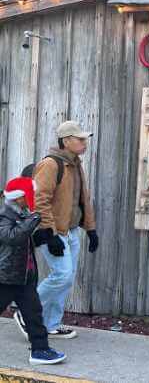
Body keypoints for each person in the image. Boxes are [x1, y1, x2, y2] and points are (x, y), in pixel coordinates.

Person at [21, 121, 98, 340]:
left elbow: (82, 199)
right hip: (53, 232)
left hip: (71, 231)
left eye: (85, 139)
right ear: (66, 141)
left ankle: (51, 324)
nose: (85, 143)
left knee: (67, 278)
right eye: (80, 139)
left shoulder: (75, 164)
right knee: (62, 275)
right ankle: (26, 311)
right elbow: (39, 199)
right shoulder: (51, 164)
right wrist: (50, 232)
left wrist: (90, 230)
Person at [0, 176, 66, 365]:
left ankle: (40, 350)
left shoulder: (22, 213)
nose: (34, 196)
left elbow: (22, 243)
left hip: (24, 277)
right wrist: (36, 216)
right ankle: (40, 349)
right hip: (5, 278)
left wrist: (41, 237)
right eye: (31, 193)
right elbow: (12, 237)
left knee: (34, 314)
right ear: (20, 197)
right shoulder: (4, 214)